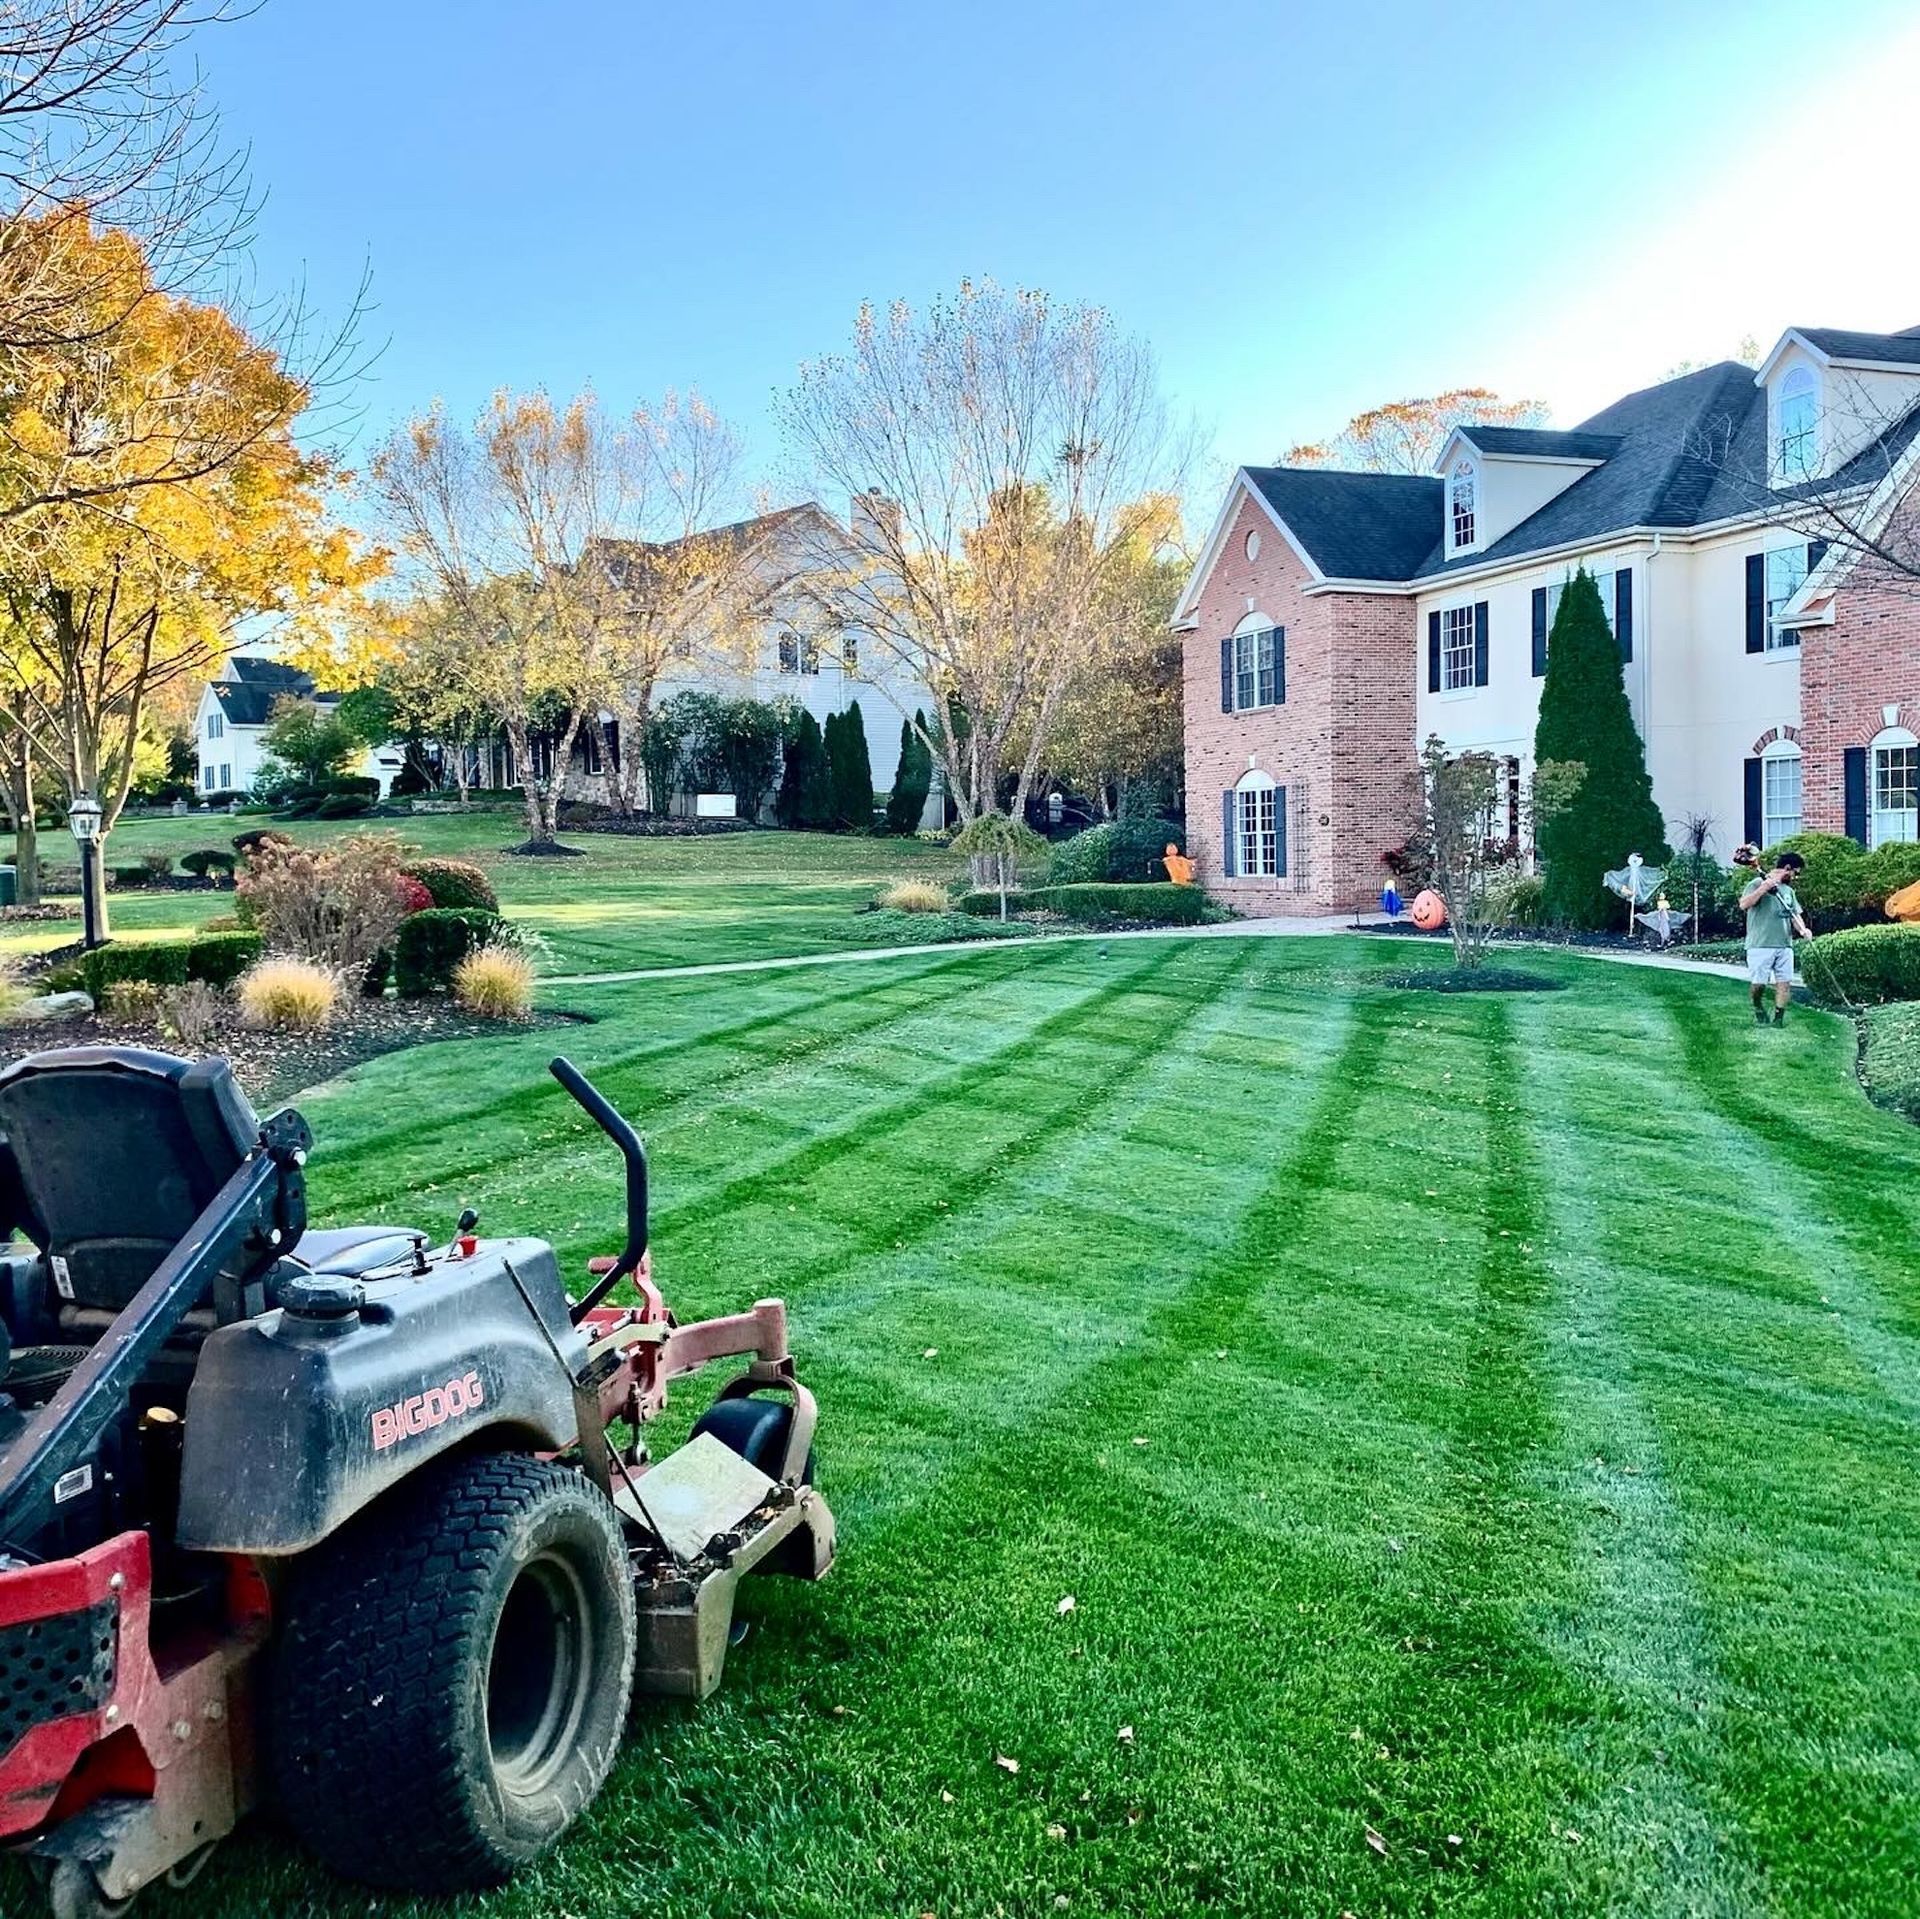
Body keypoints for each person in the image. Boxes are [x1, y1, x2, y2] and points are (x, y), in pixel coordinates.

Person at [1737, 848, 1810, 1025]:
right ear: (1787, 868)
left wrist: (1803, 930)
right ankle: (1757, 1006)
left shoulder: (1788, 891)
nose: (1795, 878)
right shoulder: (1756, 883)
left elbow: (1795, 914)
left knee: (1784, 983)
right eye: (1795, 873)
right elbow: (1744, 904)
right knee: (1759, 984)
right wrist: (1763, 888)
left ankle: (1778, 1019)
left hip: (1784, 945)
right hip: (1760, 944)